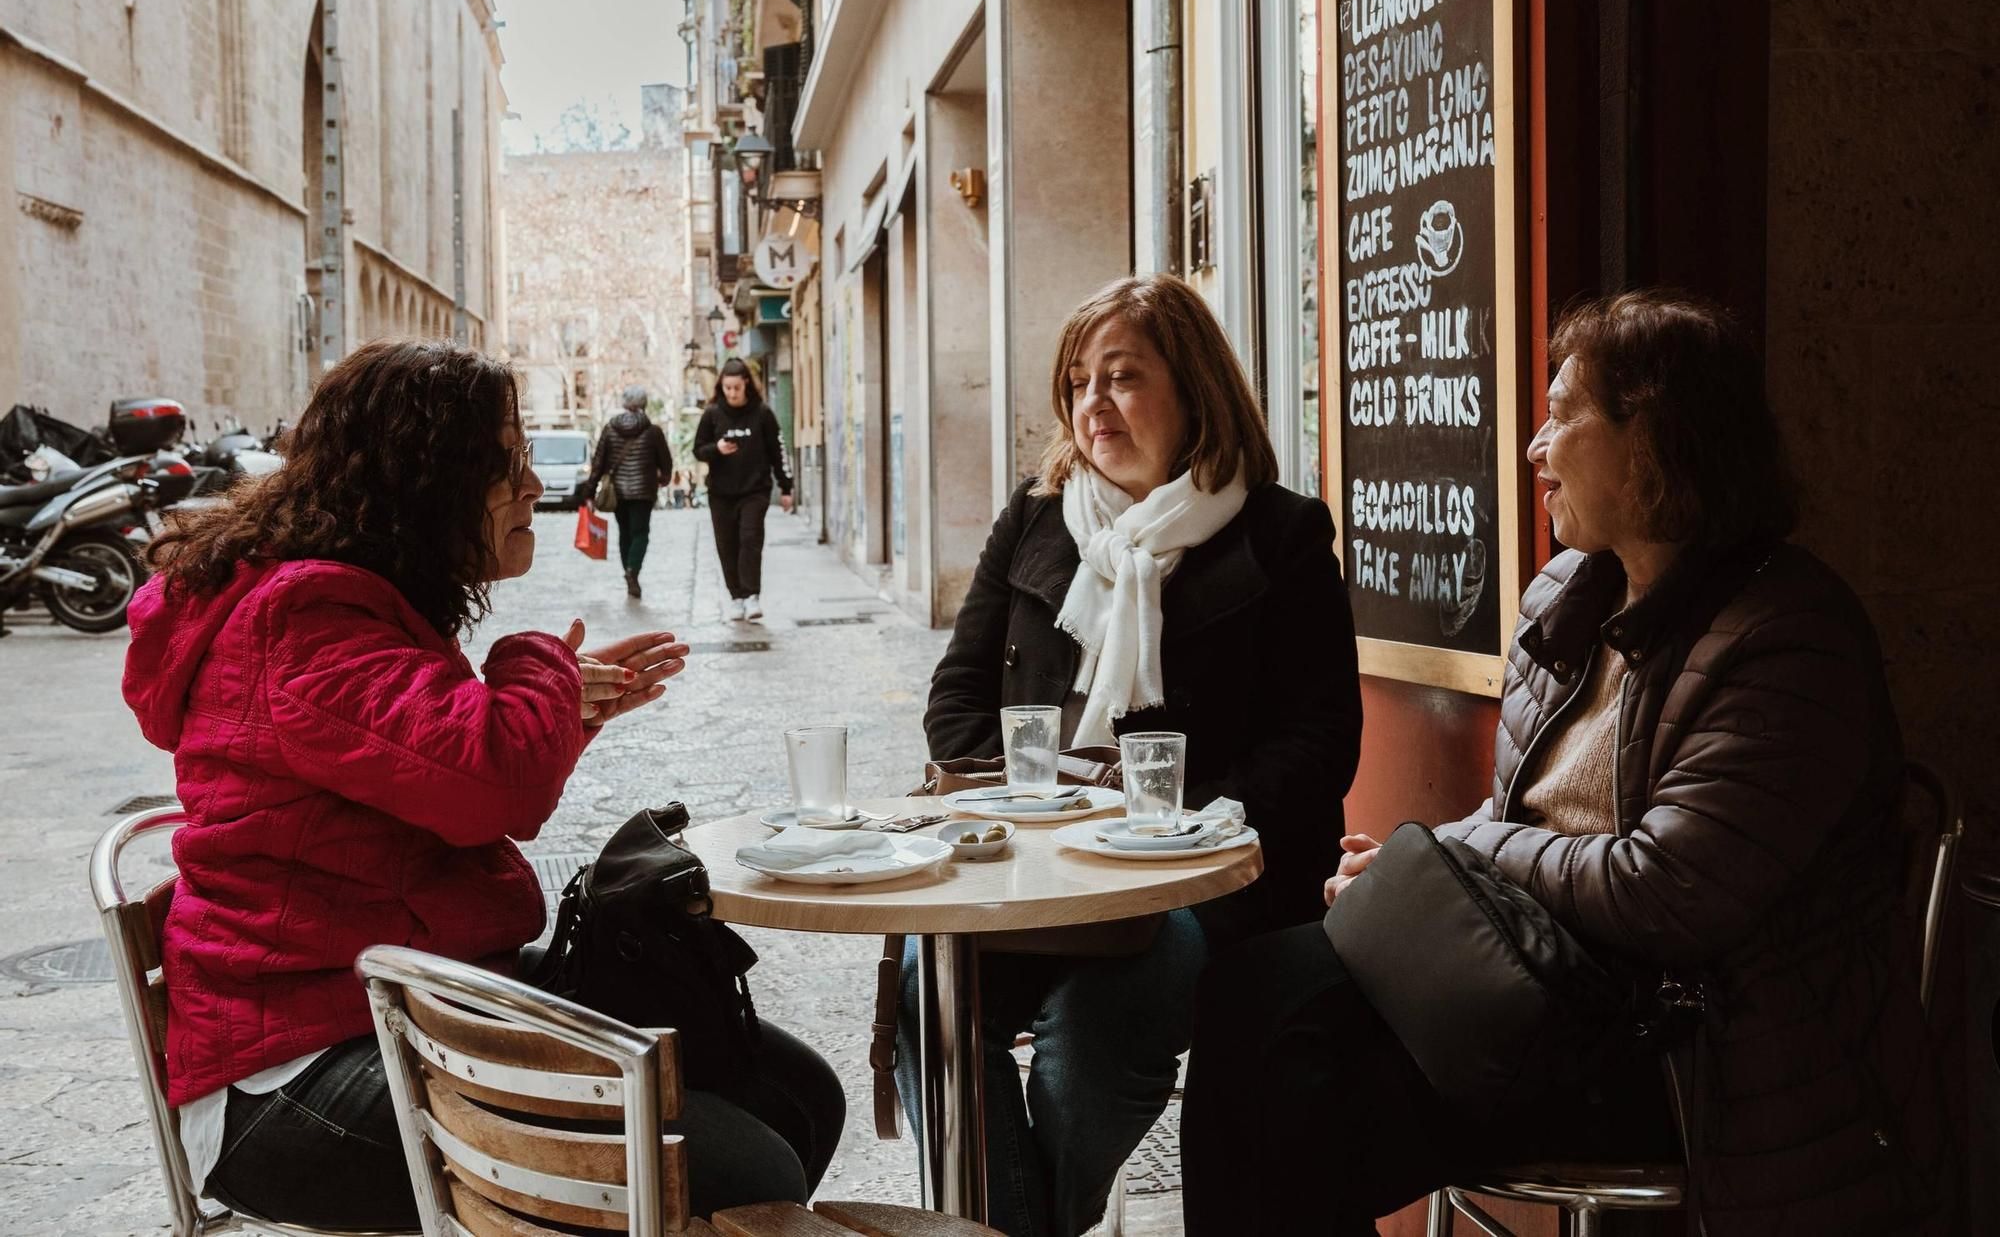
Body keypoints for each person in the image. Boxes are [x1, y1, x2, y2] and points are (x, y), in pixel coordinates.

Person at [1180, 291, 1954, 1236]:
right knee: (1244, 995)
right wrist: (1413, 873)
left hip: (1693, 1046)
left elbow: (1665, 890)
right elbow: (1519, 815)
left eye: (1563, 415)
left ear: (1655, 438)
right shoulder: (1570, 595)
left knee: (1298, 1095)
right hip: (1546, 982)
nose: (1536, 448)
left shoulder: (1791, 640)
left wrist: (1461, 853)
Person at [122, 341, 845, 1230]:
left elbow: (439, 777)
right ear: (420, 480)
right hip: (293, 1069)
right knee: (744, 1162)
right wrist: (535, 666)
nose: (534, 485)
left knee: (795, 1092)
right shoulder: (299, 620)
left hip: (407, 995)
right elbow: (492, 784)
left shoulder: (350, 600)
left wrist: (560, 713)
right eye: (505, 463)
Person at [909, 274, 1364, 1237]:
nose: (1092, 405)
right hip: (1034, 867)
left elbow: (1320, 741)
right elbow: (952, 708)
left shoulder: (1281, 536)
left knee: (1098, 1025)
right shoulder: (1035, 521)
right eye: (1078, 382)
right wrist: (1049, 806)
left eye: (1122, 376)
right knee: (925, 983)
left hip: (1198, 882)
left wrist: (1185, 827)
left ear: (1194, 389)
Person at [693, 358, 794, 622]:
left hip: (755, 491)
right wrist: (718, 449)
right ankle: (735, 598)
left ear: (746, 384)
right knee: (727, 545)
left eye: (736, 387)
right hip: (721, 494)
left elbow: (778, 451)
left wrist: (786, 487)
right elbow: (698, 450)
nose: (732, 393)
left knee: (750, 540)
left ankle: (752, 597)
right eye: (727, 388)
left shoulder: (762, 413)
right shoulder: (712, 414)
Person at [587, 384, 674, 598]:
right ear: (644, 404)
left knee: (625, 533)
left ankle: (628, 570)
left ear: (625, 404)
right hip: (643, 492)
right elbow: (666, 462)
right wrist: (663, 478)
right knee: (640, 533)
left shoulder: (610, 429)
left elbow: (598, 462)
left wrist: (589, 492)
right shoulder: (653, 431)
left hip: (617, 493)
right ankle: (632, 571)